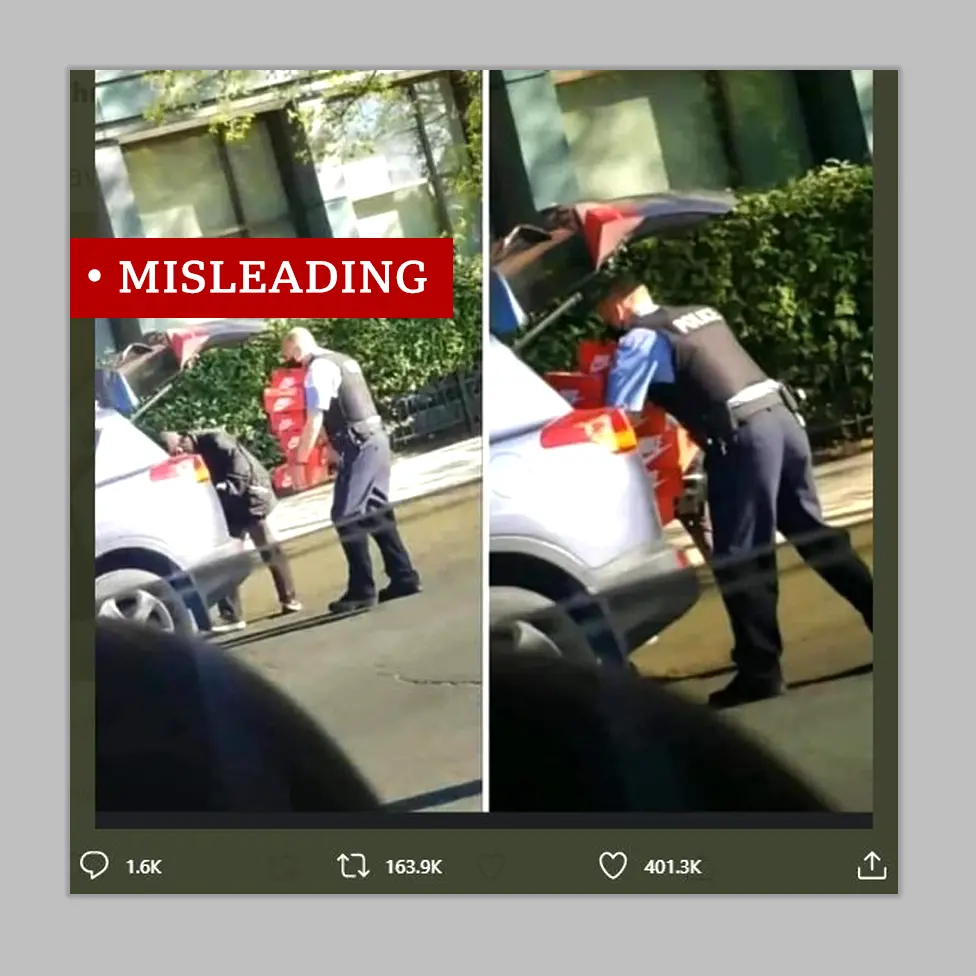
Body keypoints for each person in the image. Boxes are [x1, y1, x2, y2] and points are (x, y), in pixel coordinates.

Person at [597, 275, 873, 709]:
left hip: (742, 441)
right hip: (783, 422)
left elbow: (616, 417)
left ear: (617, 308)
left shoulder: (639, 340)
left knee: (742, 557)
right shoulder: (701, 314)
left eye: (602, 314)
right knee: (814, 534)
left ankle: (760, 671)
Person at [280, 326, 421, 615]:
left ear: (296, 351)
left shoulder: (317, 369)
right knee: (375, 510)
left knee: (345, 515)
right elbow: (350, 407)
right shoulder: (343, 360)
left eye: (290, 359)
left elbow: (315, 418)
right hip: (374, 439)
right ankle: (404, 576)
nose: (293, 365)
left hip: (359, 443)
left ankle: (362, 590)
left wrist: (298, 461)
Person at [160, 429, 302, 632]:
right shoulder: (193, 454)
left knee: (266, 545)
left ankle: (289, 599)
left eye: (180, 449)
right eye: (175, 454)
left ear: (184, 438)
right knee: (227, 557)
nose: (181, 455)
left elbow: (241, 468)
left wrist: (226, 488)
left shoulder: (216, 440)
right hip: (231, 500)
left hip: (250, 493)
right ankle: (233, 615)